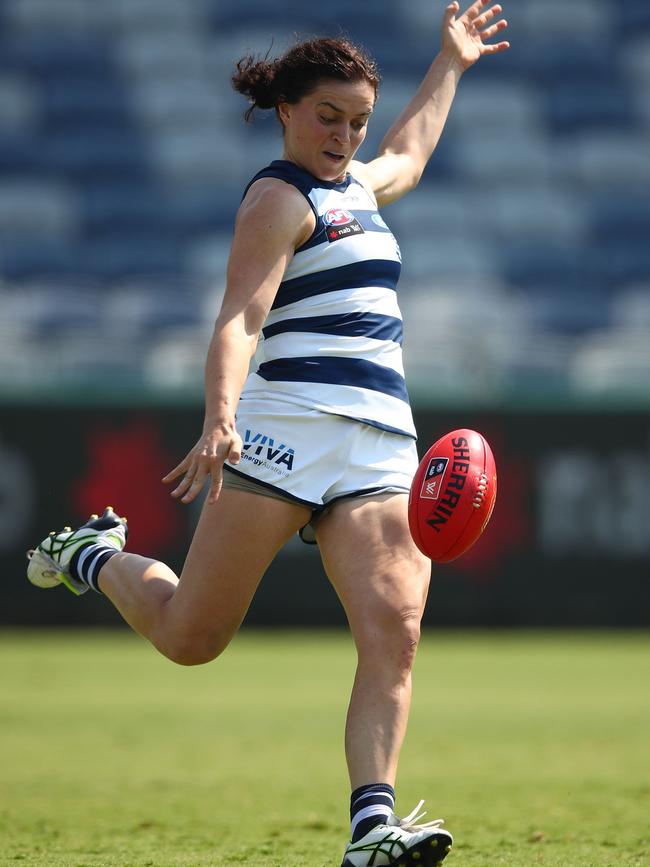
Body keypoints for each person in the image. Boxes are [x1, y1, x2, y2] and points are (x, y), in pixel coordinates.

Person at [27, 2, 509, 864]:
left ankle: (372, 827)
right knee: (191, 637)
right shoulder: (277, 196)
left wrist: (451, 64)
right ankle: (95, 554)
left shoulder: (358, 183)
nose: (346, 135)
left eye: (356, 119)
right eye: (329, 115)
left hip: (377, 442)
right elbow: (239, 321)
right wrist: (220, 416)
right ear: (287, 106)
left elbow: (409, 155)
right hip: (283, 430)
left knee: (395, 626)